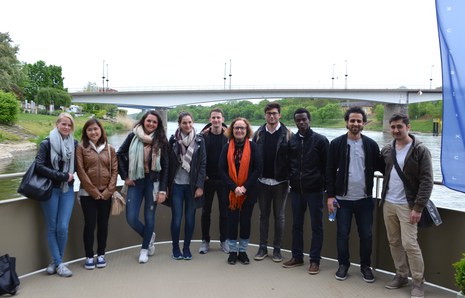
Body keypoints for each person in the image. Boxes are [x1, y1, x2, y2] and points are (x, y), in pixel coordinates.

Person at [326, 106, 384, 282]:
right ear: (346, 122)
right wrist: (330, 196)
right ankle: (343, 265)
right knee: (342, 235)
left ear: (364, 123)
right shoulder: (336, 144)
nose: (355, 123)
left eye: (359, 120)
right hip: (342, 200)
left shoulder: (371, 145)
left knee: (366, 235)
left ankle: (365, 267)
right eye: (352, 120)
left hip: (365, 199)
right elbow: (329, 171)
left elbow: (383, 166)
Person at [381, 113, 433, 298]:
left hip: (408, 205)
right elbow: (382, 168)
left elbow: (427, 181)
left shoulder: (420, 150)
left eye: (399, 127)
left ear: (408, 127)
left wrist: (418, 207)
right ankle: (401, 275)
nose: (395, 130)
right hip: (388, 202)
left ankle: (418, 282)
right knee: (394, 242)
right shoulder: (388, 149)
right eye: (393, 127)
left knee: (410, 244)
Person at [117, 110, 169, 263]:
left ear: (158, 124)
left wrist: (163, 190)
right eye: (149, 121)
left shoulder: (161, 140)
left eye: (154, 122)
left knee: (149, 216)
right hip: (136, 181)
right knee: (131, 218)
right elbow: (119, 154)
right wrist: (125, 176)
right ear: (143, 121)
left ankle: (144, 249)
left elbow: (166, 166)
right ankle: (149, 234)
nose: (151, 124)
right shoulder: (133, 136)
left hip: (153, 182)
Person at [283, 108, 328, 275]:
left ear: (309, 120)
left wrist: (323, 185)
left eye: (304, 119)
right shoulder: (292, 141)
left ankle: (315, 260)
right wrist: (291, 179)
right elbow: (289, 164)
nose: (301, 122)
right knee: (297, 225)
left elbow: (327, 166)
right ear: (295, 121)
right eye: (298, 120)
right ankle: (297, 257)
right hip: (296, 190)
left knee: (317, 226)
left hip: (315, 191)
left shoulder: (320, 140)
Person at [35, 112, 77, 277]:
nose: (66, 127)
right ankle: (60, 264)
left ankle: (55, 261)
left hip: (67, 191)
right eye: (63, 124)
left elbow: (79, 166)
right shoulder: (46, 143)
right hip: (50, 190)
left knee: (63, 227)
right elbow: (39, 166)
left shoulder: (74, 143)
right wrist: (62, 176)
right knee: (52, 227)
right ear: (57, 124)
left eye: (69, 125)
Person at [219, 117, 262, 265]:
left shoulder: (253, 147)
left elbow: (258, 169)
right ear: (232, 130)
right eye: (236, 128)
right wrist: (234, 187)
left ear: (247, 130)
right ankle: (232, 252)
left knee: (245, 222)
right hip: (231, 193)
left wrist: (244, 187)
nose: (239, 130)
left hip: (248, 192)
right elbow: (221, 169)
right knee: (231, 222)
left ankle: (242, 251)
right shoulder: (226, 147)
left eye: (242, 128)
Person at [252, 102, 292, 263]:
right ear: (265, 115)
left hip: (281, 182)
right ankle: (262, 248)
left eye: (274, 113)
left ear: (279, 115)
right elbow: (253, 156)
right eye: (269, 113)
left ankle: (277, 250)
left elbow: (292, 158)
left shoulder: (288, 134)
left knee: (280, 217)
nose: (271, 116)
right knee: (263, 216)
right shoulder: (259, 133)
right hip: (262, 182)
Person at [76, 118, 118, 270]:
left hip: (106, 194)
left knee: (103, 225)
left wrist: (108, 191)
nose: (93, 132)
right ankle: (89, 256)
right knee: (90, 225)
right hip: (88, 194)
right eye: (90, 130)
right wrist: (93, 192)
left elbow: (114, 172)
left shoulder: (110, 149)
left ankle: (101, 254)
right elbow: (80, 171)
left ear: (101, 130)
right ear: (86, 132)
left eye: (96, 129)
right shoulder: (81, 148)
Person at [167, 111, 206, 260]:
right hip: (176, 185)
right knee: (176, 218)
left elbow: (203, 164)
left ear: (193, 123)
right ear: (179, 124)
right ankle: (176, 248)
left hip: (192, 187)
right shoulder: (173, 140)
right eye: (184, 123)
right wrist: (166, 186)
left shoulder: (200, 141)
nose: (187, 125)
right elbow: (167, 165)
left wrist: (200, 186)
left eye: (190, 122)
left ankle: (187, 248)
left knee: (190, 218)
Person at [199, 108, 229, 254]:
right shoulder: (203, 137)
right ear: (210, 119)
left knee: (225, 213)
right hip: (207, 180)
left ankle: (224, 241)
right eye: (213, 118)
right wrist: (202, 175)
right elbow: (198, 159)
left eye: (218, 117)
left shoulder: (230, 137)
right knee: (206, 212)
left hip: (224, 181)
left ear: (223, 119)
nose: (216, 120)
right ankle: (205, 241)